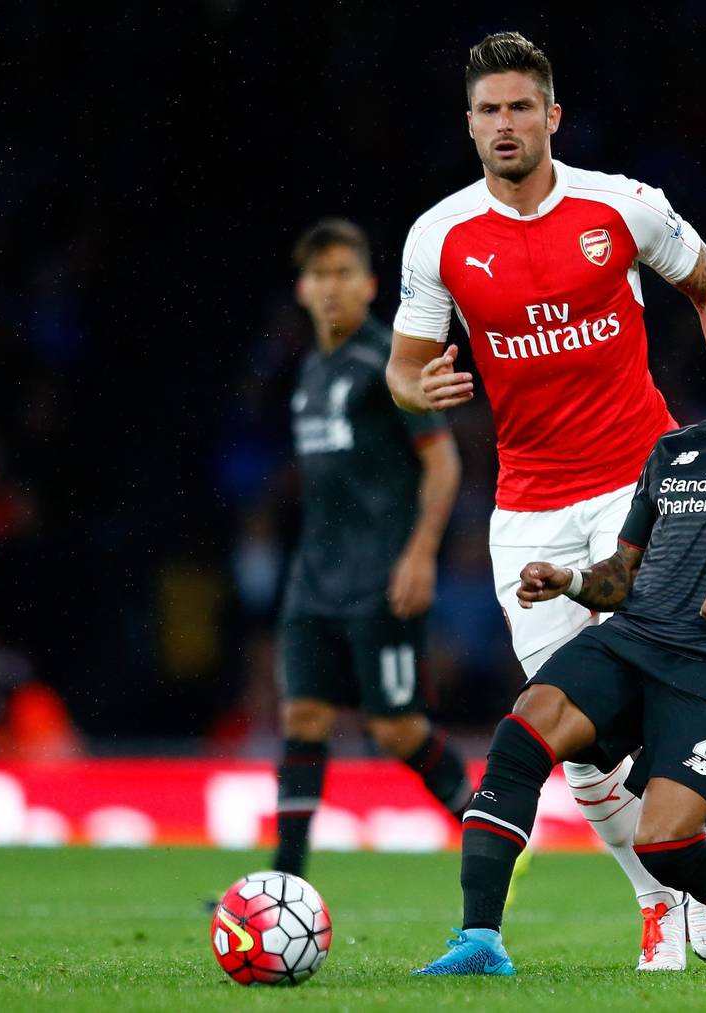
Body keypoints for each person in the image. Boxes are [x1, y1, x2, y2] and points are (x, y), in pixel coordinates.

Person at [385, 32, 706, 969]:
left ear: (551, 116)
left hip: (639, 483)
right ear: (469, 125)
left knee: (648, 703)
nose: (505, 124)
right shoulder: (440, 236)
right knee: (571, 731)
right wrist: (425, 390)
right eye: (488, 111)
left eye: (519, 107)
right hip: (528, 510)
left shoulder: (623, 207)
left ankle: (701, 874)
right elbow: (401, 373)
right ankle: (661, 896)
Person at [413, 278, 706, 977]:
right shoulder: (674, 450)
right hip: (632, 639)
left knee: (666, 844)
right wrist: (567, 582)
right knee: (522, 733)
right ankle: (480, 939)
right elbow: (618, 578)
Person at [272, 218, 471, 877]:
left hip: (381, 577)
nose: (331, 288)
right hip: (313, 578)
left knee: (394, 728)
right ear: (302, 288)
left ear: (369, 284)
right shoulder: (310, 369)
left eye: (343, 274)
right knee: (301, 714)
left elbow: (443, 463)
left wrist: (420, 554)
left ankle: (483, 828)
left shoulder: (388, 364)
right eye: (319, 275)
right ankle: (285, 877)